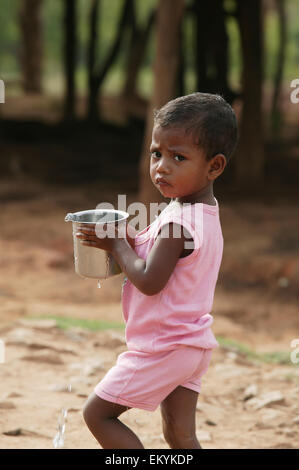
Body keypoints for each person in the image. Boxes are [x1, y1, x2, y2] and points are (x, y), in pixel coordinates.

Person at [76, 92, 238, 449]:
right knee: (180, 436)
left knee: (97, 415)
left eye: (178, 157)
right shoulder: (197, 212)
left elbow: (149, 281)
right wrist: (127, 240)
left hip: (163, 347)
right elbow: (160, 259)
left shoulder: (178, 222)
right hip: (191, 345)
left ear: (215, 166)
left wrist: (117, 246)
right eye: (156, 153)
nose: (162, 166)